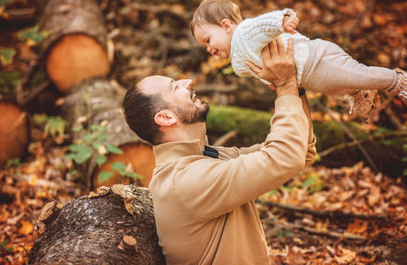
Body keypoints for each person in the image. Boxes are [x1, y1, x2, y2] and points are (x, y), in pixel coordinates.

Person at [123, 38, 317, 264]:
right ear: (166, 118)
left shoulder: (204, 159)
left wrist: (296, 89)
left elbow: (300, 151)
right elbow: (285, 157)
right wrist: (285, 87)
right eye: (175, 87)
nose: (187, 81)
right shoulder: (185, 180)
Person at [190, 0, 407, 120]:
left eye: (208, 40)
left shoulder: (243, 33)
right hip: (311, 76)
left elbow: (262, 24)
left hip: (317, 60)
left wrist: (283, 20)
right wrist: (273, 82)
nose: (208, 49)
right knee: (344, 84)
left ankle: (399, 82)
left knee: (360, 74)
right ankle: (361, 93)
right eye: (204, 46)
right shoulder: (238, 55)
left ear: (227, 25)